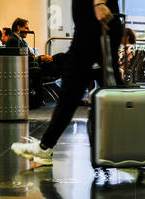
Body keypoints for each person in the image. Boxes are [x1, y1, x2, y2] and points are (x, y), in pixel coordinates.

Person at [11, 0, 123, 166]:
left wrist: (98, 2)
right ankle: (45, 146)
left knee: (80, 93)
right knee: (71, 96)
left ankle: (139, 143)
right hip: (89, 33)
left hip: (94, 32)